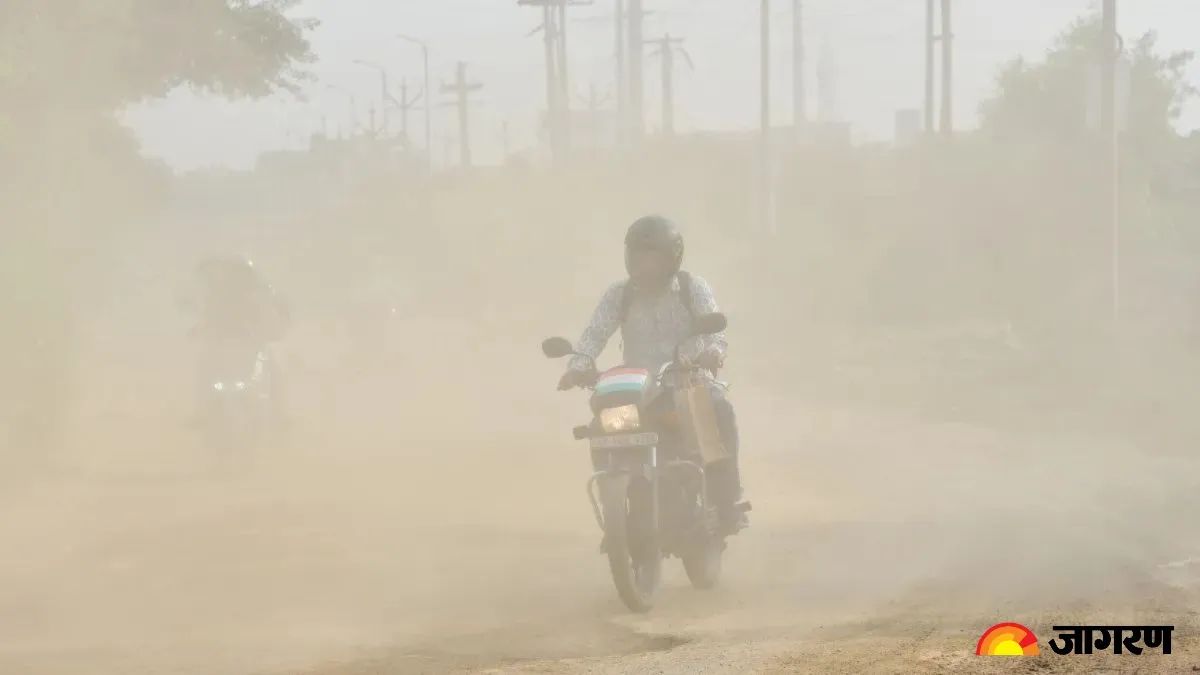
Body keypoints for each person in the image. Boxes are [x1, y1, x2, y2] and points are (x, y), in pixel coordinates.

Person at [557, 215, 747, 534]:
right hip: (637, 390)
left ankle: (727, 502)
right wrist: (578, 366)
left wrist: (713, 353)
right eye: (639, 256)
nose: (645, 265)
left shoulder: (691, 288)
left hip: (688, 383)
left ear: (672, 257)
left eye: (653, 257)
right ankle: (614, 512)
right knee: (598, 427)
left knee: (720, 410)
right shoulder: (620, 294)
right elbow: (594, 334)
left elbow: (716, 331)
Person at [179, 255, 290, 424]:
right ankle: (200, 412)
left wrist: (271, 330)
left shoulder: (256, 297)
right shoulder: (217, 298)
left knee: (271, 366)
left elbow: (269, 316)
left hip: (250, 344)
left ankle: (279, 415)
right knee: (203, 366)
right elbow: (206, 319)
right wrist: (199, 330)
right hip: (221, 345)